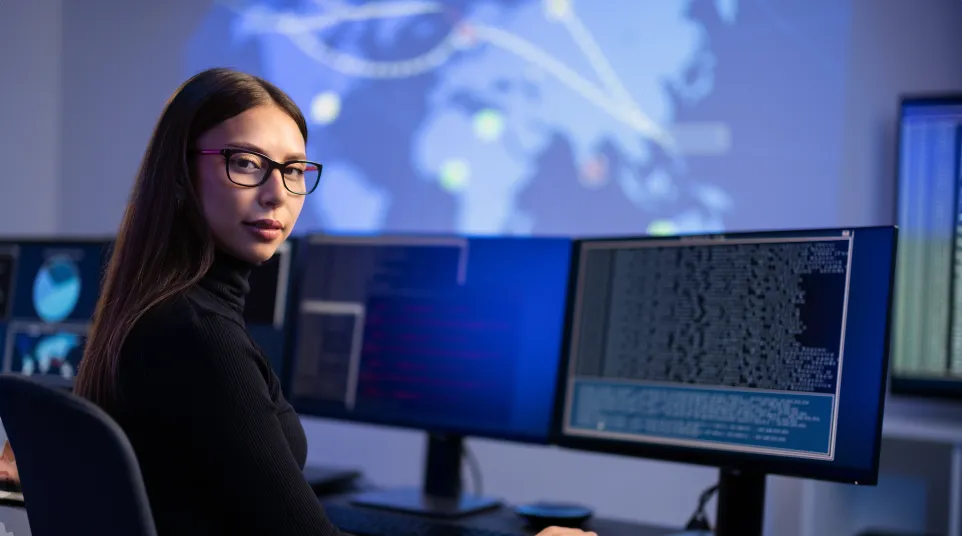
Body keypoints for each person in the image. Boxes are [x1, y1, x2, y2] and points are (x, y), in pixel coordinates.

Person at [67, 68, 596, 536]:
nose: (277, 192)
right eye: (248, 163)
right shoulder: (200, 337)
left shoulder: (155, 312)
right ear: (180, 175)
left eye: (294, 170)